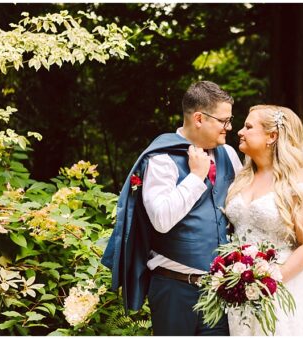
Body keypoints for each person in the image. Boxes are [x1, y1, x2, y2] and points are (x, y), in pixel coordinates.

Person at [103, 80, 241, 335]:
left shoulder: (229, 155)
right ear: (199, 118)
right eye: (224, 121)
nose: (229, 127)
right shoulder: (161, 158)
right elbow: (162, 219)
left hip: (222, 290)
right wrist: (196, 177)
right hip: (175, 290)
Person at [223, 105, 303, 336]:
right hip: (243, 286)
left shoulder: (298, 181)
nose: (240, 131)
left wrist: (271, 279)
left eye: (249, 127)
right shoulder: (242, 177)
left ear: (272, 136)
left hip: (287, 285)